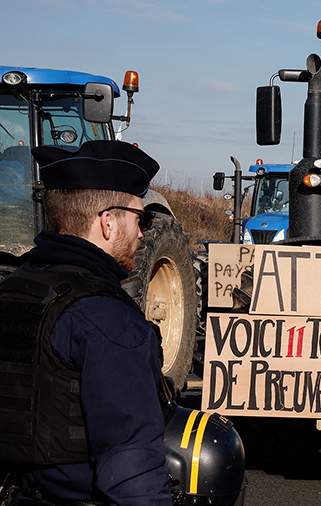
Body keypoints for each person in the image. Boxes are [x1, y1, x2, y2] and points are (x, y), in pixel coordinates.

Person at [0, 141, 171, 504]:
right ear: (108, 222)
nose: (142, 233)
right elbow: (132, 467)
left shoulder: (12, 291)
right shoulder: (108, 319)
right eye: (141, 219)